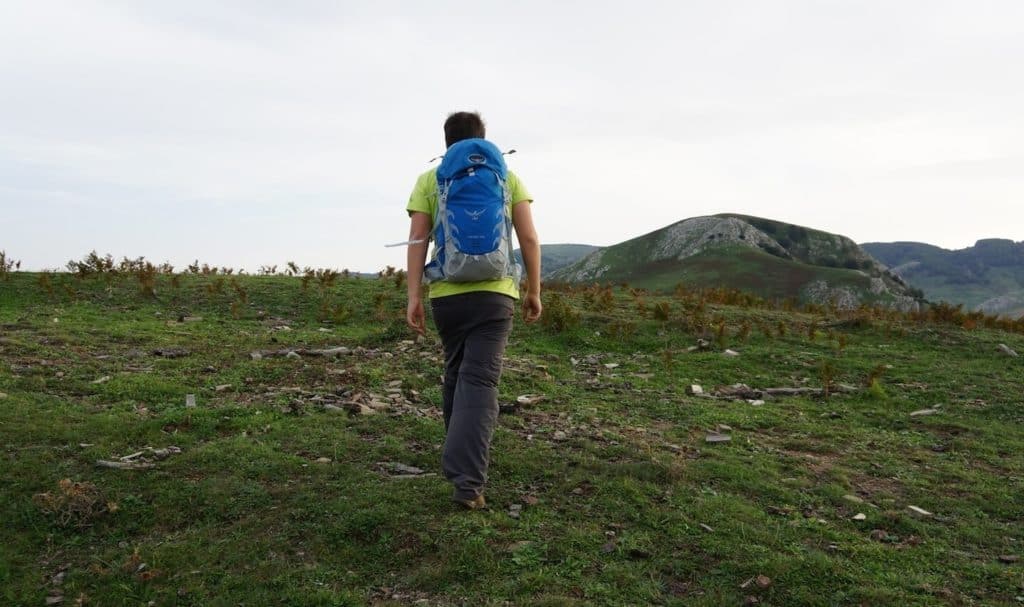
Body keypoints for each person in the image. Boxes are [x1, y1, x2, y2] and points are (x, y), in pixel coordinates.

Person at [405, 111, 542, 510]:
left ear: (447, 142)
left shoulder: (431, 179)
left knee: (456, 372)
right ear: (483, 140)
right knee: (479, 381)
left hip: (447, 294)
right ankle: (468, 484)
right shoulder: (506, 177)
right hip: (495, 295)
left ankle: (459, 462)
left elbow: (417, 239)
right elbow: (529, 237)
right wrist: (534, 290)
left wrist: (413, 295)